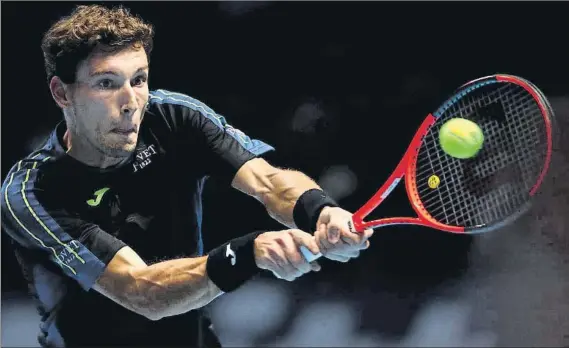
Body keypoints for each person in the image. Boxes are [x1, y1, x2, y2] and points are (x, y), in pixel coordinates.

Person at [0, 4, 373, 348]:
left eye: (139, 79)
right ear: (62, 93)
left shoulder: (175, 120)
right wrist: (250, 252)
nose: (130, 101)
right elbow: (141, 291)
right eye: (106, 83)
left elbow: (268, 181)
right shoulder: (33, 192)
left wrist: (319, 211)